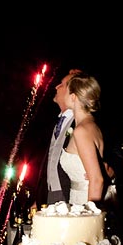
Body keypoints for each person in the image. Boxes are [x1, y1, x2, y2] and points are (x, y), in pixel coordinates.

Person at [59, 71, 110, 205]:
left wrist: (88, 215)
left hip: (85, 200)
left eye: (67, 91)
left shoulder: (81, 131)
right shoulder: (92, 126)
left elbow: (97, 180)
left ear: (74, 97)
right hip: (78, 198)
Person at [39, 69, 82, 205]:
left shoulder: (81, 123)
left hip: (70, 196)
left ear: (73, 93)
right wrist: (40, 197)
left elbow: (114, 157)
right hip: (50, 196)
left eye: (62, 84)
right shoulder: (53, 122)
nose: (56, 87)